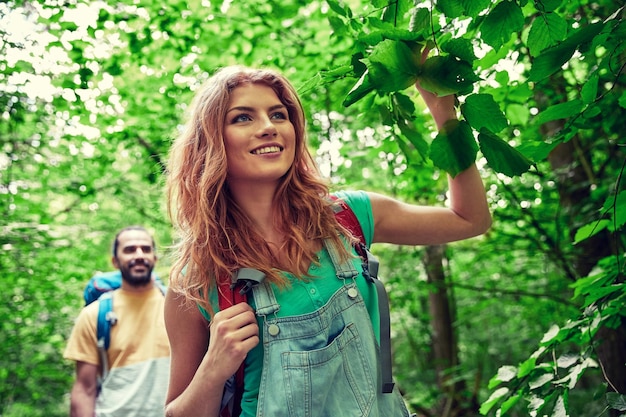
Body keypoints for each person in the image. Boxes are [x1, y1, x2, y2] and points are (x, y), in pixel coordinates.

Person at [163, 59, 492, 417]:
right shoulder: (196, 281)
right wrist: (213, 369)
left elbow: (469, 219)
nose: (268, 127)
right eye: (243, 117)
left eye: (278, 115)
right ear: (209, 141)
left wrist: (444, 113)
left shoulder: (349, 218)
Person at [64, 226, 171, 417]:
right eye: (129, 249)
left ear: (154, 258)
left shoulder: (178, 308)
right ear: (115, 261)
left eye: (145, 249)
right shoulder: (94, 315)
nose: (139, 255)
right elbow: (84, 389)